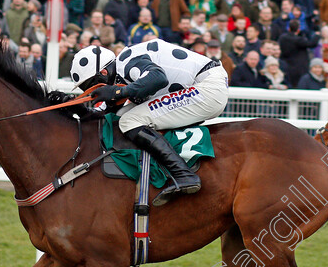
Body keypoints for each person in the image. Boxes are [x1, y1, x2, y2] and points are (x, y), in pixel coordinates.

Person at [67, 39, 228, 205]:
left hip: (208, 88)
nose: (94, 90)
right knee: (124, 116)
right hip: (204, 86)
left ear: (104, 73)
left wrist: (117, 91)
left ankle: (183, 174)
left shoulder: (126, 61)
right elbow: (106, 114)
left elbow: (158, 78)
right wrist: (75, 109)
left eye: (91, 85)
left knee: (130, 121)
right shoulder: (124, 74)